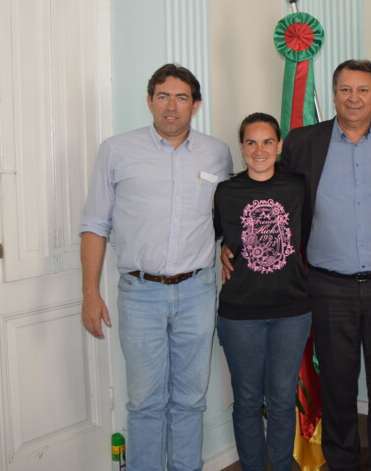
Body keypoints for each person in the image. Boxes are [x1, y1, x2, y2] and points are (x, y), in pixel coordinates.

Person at [225, 60, 371, 470]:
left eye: (363, 90)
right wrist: (230, 239)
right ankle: (340, 463)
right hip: (328, 288)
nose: (354, 98)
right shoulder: (304, 143)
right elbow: (266, 189)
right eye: (345, 89)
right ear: (333, 94)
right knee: (338, 388)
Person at [80, 64, 232, 471]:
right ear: (149, 101)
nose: (171, 106)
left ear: (195, 105)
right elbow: (95, 224)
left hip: (198, 291)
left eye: (181, 97)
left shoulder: (217, 152)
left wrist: (224, 249)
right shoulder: (116, 150)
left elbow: (227, 216)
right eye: (162, 96)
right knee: (145, 402)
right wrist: (90, 293)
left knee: (190, 400)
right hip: (140, 292)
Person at [213, 112, 310, 471]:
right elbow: (211, 236)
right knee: (248, 402)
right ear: (241, 147)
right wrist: (222, 246)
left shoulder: (298, 187)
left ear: (279, 146)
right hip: (240, 314)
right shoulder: (226, 192)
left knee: (283, 401)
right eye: (251, 142)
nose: (259, 150)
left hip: (292, 312)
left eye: (267, 141)